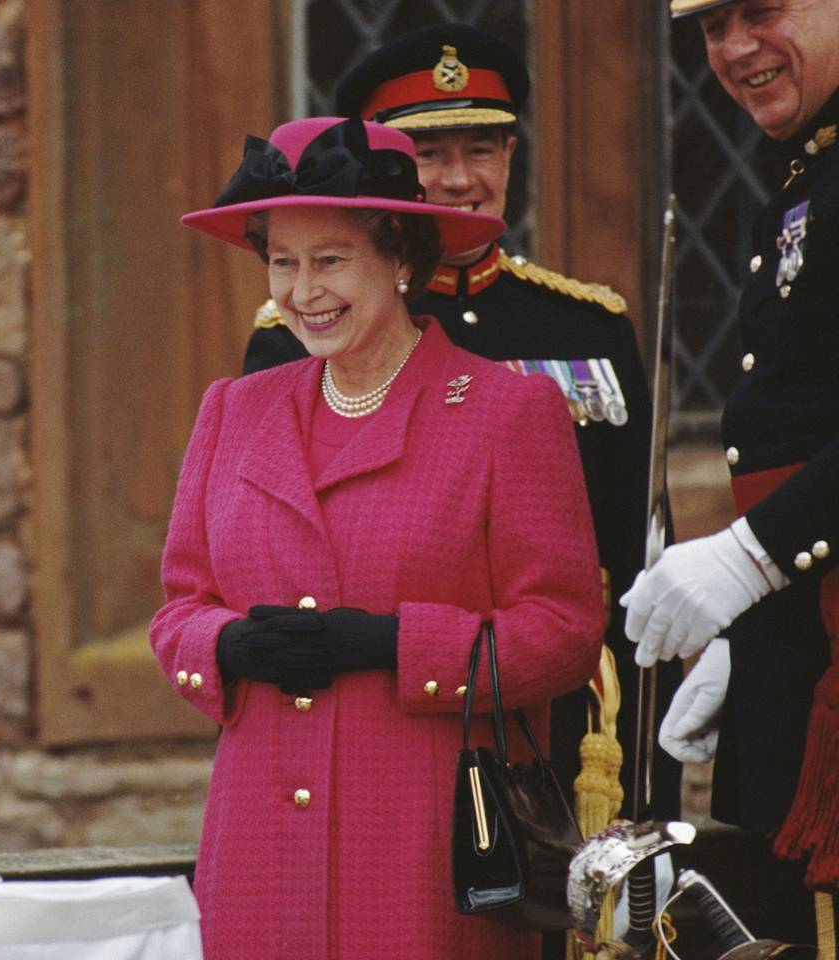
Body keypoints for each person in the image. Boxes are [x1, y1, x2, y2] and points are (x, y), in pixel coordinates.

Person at [152, 115, 605, 958]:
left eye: (330, 260)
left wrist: (397, 643)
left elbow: (566, 632)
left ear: (402, 261)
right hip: (259, 847)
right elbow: (180, 608)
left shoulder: (507, 412)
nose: (301, 291)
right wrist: (230, 644)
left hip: (424, 841)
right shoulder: (234, 409)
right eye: (282, 262)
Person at [244, 24, 684, 826]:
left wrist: (658, 703)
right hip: (398, 702)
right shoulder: (302, 330)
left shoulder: (587, 326)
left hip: (580, 712)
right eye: (429, 154)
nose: (458, 179)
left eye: (482, 148)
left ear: (512, 159)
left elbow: (637, 542)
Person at [624, 0, 839, 943]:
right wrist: (763, 622)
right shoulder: (806, 175)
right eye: (711, 25)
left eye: (763, 9)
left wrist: (755, 556)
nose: (736, 47)